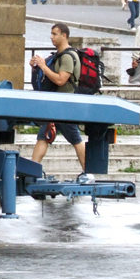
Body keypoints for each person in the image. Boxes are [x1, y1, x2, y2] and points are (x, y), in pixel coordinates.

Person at [29, 23, 86, 173]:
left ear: (64, 36)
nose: (51, 37)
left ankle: (89, 171)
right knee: (43, 137)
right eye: (51, 33)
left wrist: (43, 66)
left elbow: (61, 80)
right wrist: (37, 67)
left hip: (65, 105)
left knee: (75, 139)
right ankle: (32, 171)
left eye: (55, 34)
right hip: (55, 105)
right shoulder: (58, 56)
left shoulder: (68, 56)